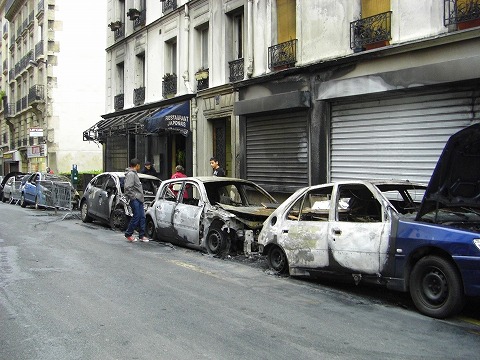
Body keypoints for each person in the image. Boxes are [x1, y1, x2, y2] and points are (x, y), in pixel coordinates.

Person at [124, 158, 149, 242]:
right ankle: (128, 234)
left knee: (142, 217)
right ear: (137, 165)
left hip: (139, 199)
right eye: (139, 165)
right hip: (135, 199)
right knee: (136, 216)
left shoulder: (134, 174)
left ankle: (141, 235)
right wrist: (134, 197)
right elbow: (128, 187)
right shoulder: (131, 174)